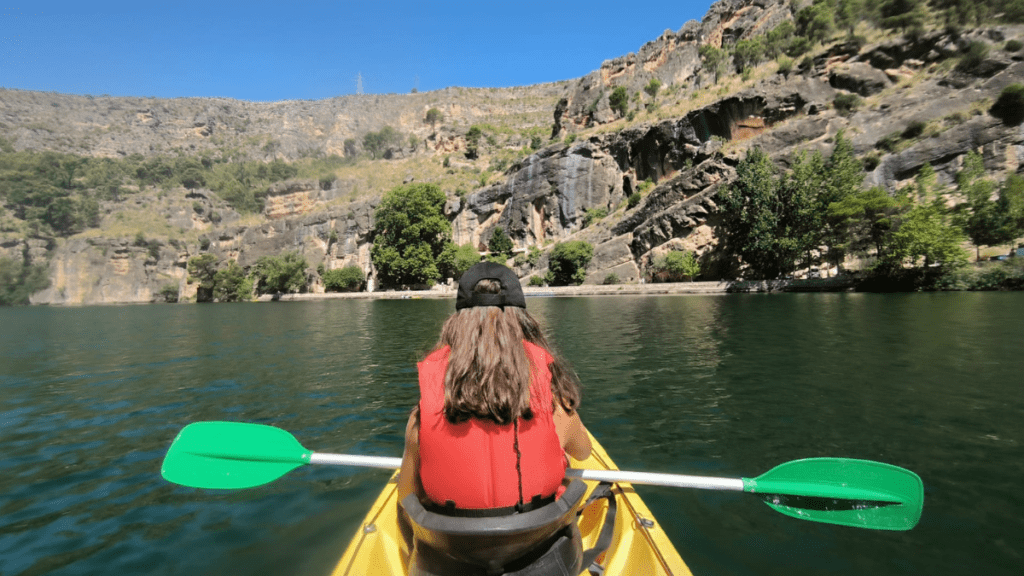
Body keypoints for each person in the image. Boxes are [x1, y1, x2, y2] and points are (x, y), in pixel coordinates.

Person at [397, 262, 591, 574]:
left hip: (449, 563)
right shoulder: (556, 404)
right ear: (524, 325)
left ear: (456, 326)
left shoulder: (421, 418)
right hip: (544, 559)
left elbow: (407, 497)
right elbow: (583, 452)